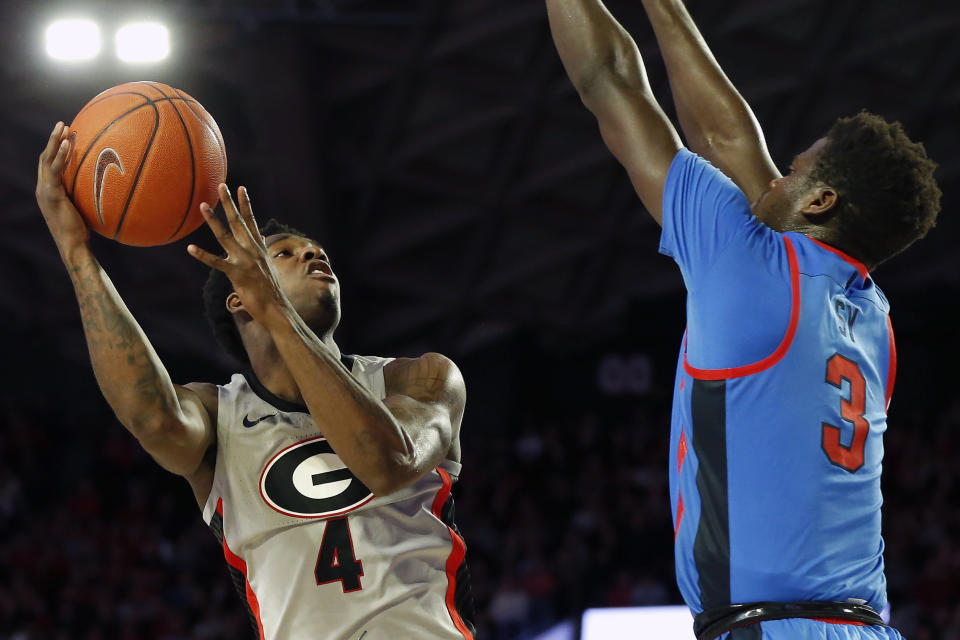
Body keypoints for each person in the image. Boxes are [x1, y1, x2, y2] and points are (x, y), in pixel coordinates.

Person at [545, 1, 941, 639]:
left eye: (794, 167)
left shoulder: (749, 264)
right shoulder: (871, 316)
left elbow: (609, 82)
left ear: (819, 200)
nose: (774, 172)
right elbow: (728, 142)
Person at [35, 121, 476, 640]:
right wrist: (76, 253)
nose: (314, 255)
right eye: (285, 254)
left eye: (316, 251)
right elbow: (152, 417)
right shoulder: (218, 416)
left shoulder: (421, 377)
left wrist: (279, 314)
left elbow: (389, 462)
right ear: (238, 298)